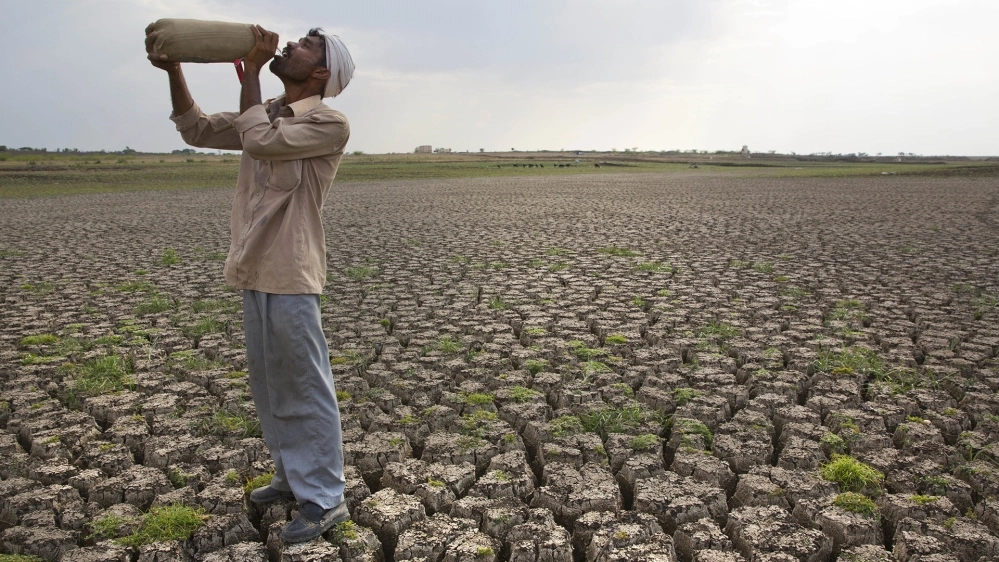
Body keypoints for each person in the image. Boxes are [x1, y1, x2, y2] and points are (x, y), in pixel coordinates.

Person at [145, 22, 355, 543]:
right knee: (270, 384)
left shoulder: (328, 122)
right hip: (254, 268)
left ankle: (326, 499)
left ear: (322, 71)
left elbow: (259, 141)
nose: (289, 46)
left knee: (305, 386)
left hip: (291, 270)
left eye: (304, 46)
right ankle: (290, 478)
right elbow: (194, 128)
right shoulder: (268, 113)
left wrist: (255, 72)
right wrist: (175, 69)